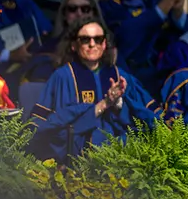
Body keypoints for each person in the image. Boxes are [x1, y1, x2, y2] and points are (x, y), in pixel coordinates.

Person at [29, 18, 161, 163]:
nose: (92, 44)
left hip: (121, 154)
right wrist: (103, 105)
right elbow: (57, 125)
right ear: (74, 45)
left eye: (97, 39)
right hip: (78, 157)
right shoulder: (63, 77)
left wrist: (118, 104)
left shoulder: (120, 76)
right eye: (85, 39)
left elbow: (141, 118)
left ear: (104, 44)